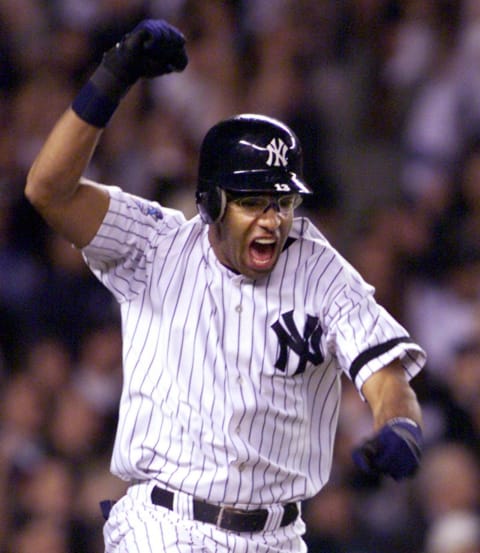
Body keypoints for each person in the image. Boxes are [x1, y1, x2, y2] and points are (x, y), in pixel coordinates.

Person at [25, 19, 426, 553]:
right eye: (253, 201)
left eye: (282, 202)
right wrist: (112, 77)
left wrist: (398, 427)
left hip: (279, 536)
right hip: (166, 525)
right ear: (212, 202)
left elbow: (385, 375)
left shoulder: (320, 270)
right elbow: (48, 190)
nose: (273, 220)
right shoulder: (155, 246)